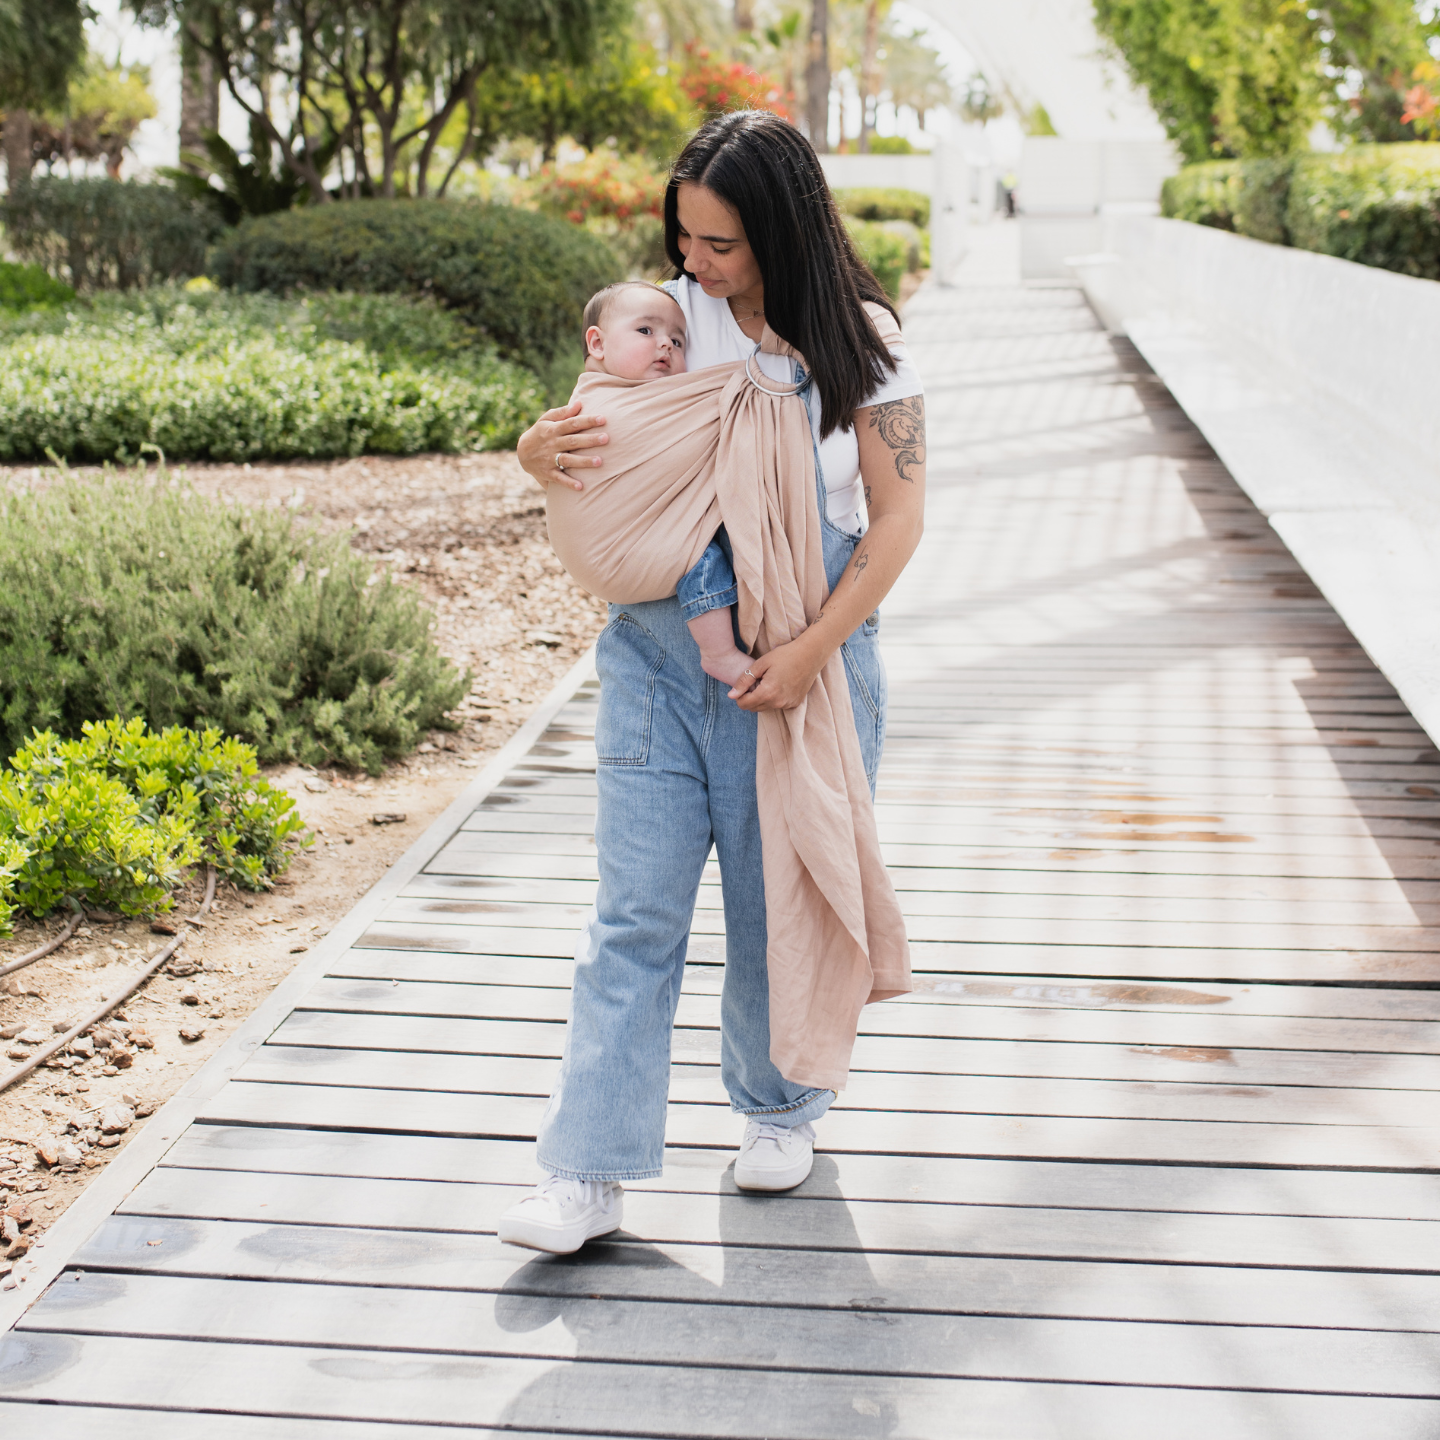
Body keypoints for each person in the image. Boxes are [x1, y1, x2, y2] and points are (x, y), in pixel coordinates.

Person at [498, 110, 926, 1256]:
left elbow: (896, 524)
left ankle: (782, 1103)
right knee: (629, 920)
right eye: (683, 236)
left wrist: (809, 651)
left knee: (765, 907)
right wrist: (534, 451)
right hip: (653, 655)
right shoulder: (666, 320)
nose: (694, 263)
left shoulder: (866, 343)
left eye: (721, 244)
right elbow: (598, 439)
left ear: (783, 233)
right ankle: (584, 1172)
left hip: (804, 659)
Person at [577, 278, 758, 697]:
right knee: (701, 555)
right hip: (619, 544)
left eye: (678, 341)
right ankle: (719, 652)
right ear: (598, 345)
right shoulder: (593, 399)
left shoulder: (658, 397)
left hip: (628, 544)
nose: (666, 346)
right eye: (646, 331)